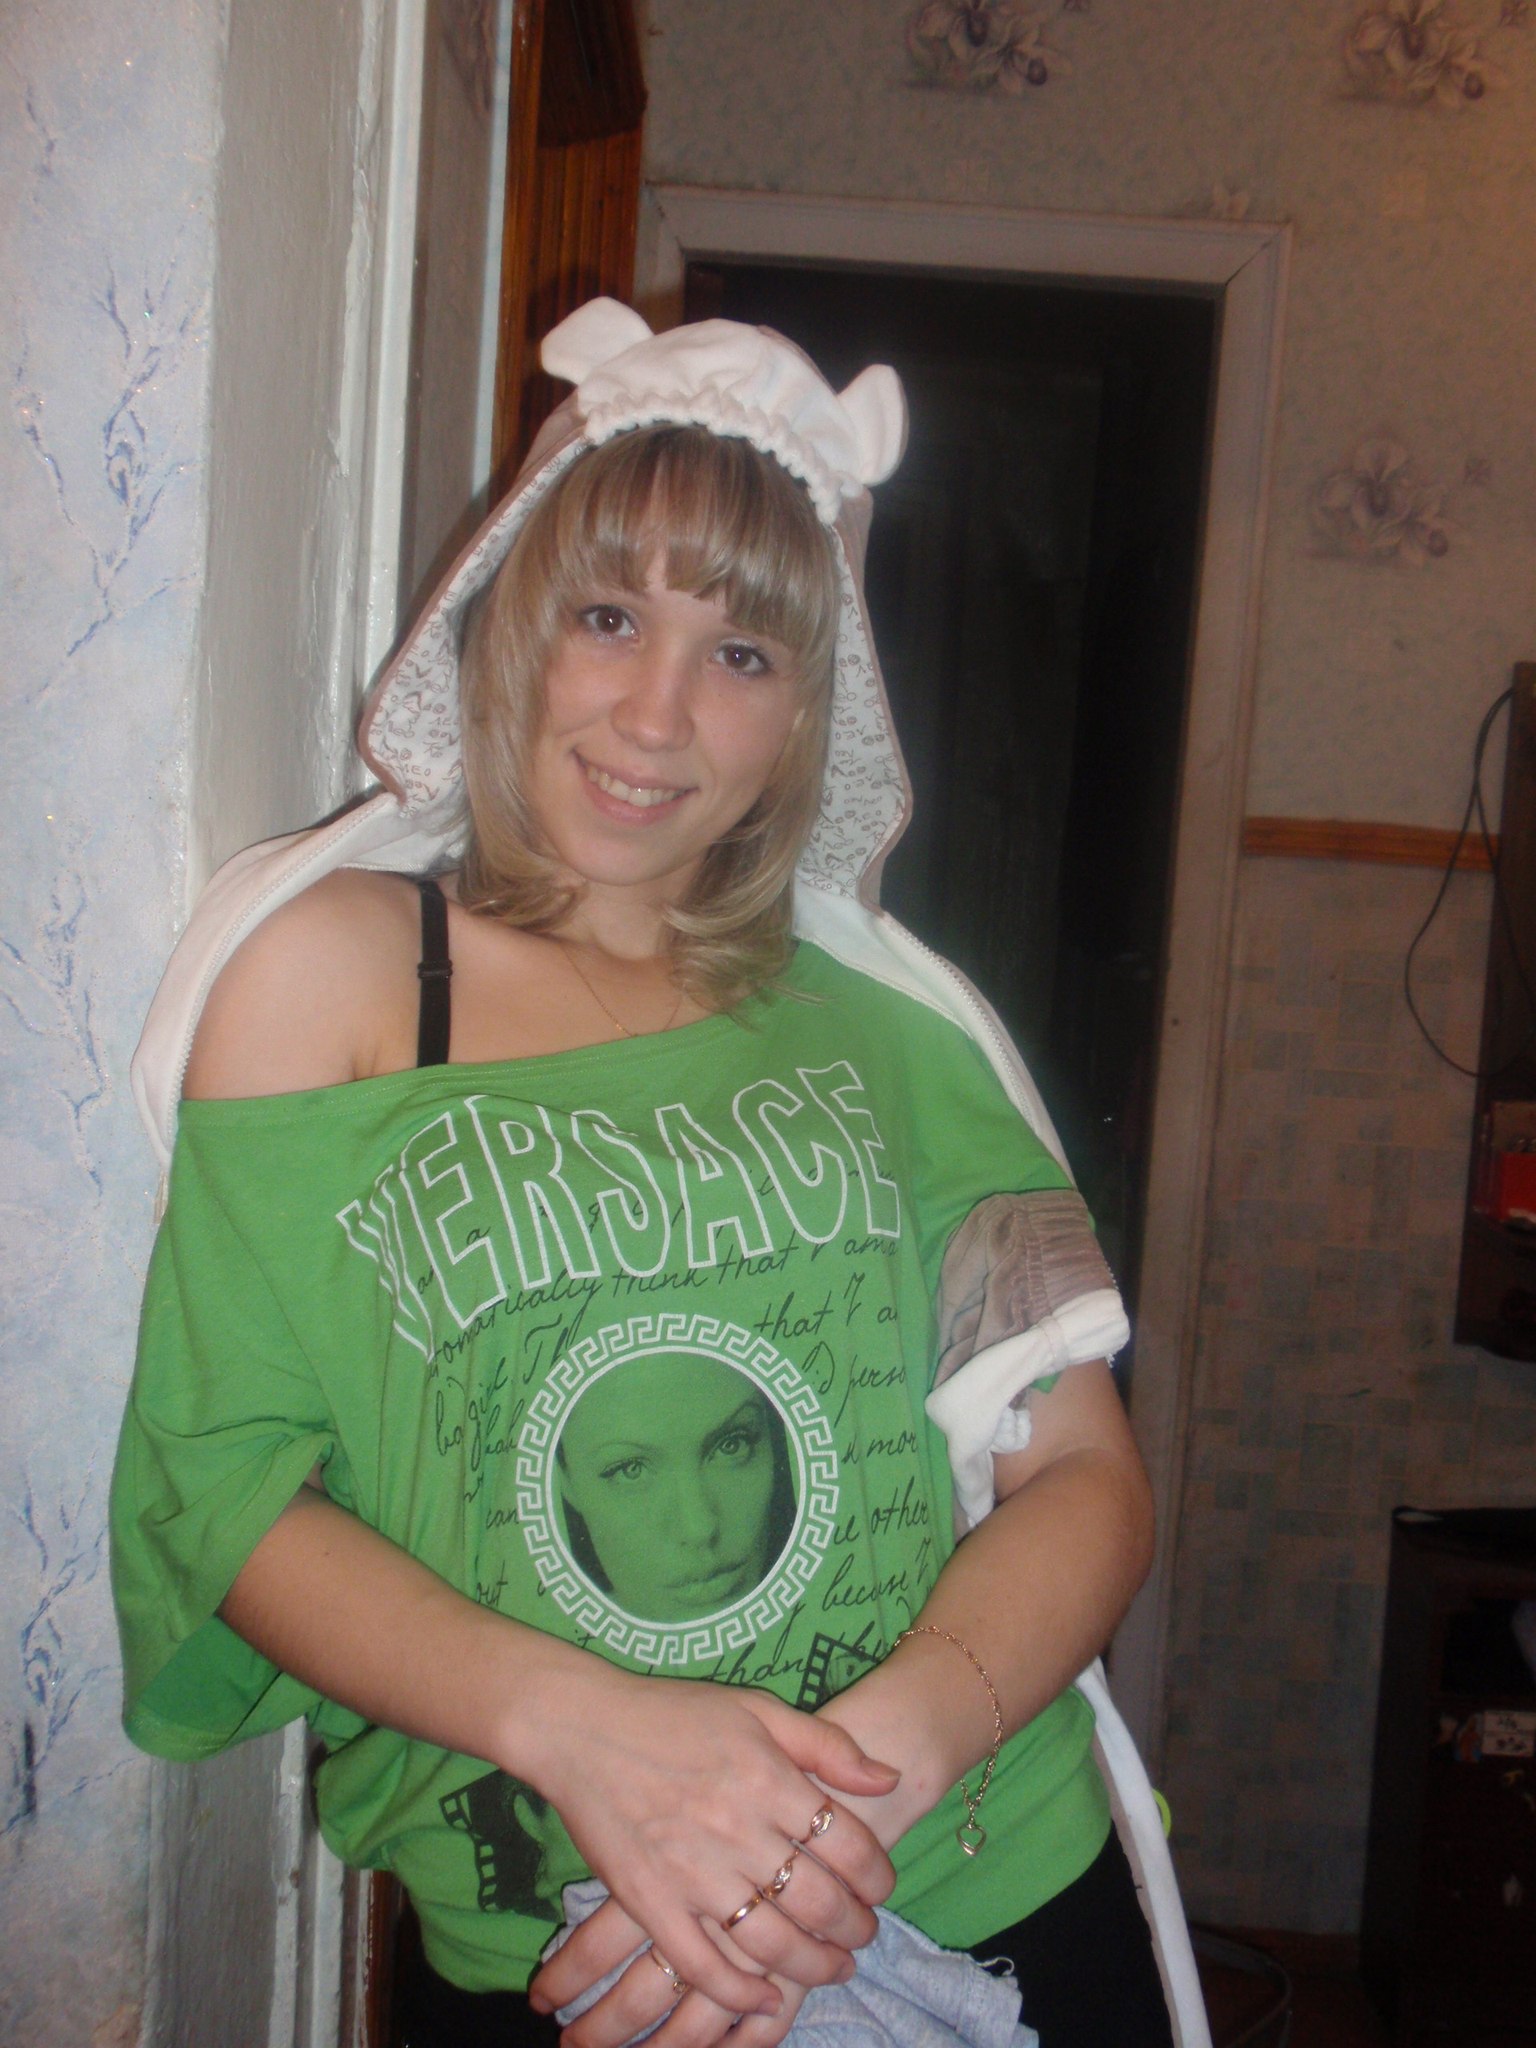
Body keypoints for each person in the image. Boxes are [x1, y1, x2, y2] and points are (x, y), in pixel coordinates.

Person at [111, 300, 1200, 2048]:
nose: (657, 713)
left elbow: (1085, 1476)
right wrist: (592, 1736)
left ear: (805, 713)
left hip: (984, 1884)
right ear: (509, 619)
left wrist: (851, 1786)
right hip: (564, 1960)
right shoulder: (334, 985)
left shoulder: (901, 1036)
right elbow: (228, 1491)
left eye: (743, 654)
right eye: (609, 617)